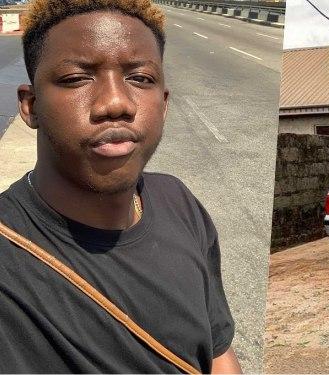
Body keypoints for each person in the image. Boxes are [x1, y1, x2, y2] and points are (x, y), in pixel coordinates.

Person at [0, 0, 242, 372]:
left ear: (163, 105)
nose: (115, 103)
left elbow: (218, 352)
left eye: (140, 78)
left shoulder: (178, 201)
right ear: (31, 106)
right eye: (77, 78)